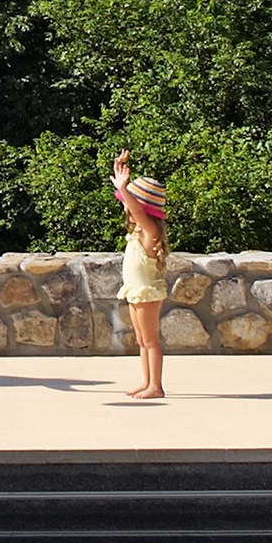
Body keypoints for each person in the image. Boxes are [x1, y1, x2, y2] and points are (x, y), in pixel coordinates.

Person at [110, 150, 170, 400]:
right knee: (141, 339)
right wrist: (118, 170)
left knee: (150, 339)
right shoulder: (137, 233)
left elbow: (134, 208)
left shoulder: (150, 232)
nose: (126, 207)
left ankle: (156, 386)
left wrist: (125, 189)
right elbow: (129, 204)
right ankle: (146, 382)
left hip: (146, 292)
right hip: (136, 291)